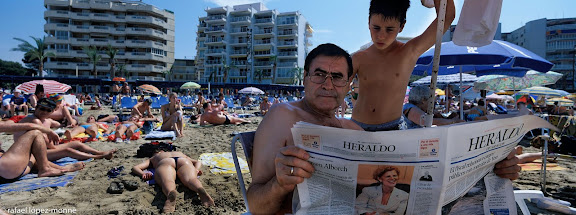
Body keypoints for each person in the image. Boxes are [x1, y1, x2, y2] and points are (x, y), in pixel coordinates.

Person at [247, 44, 363, 214]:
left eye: (337, 77)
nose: (328, 85)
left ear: (347, 85)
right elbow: (255, 206)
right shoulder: (283, 116)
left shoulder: (352, 128)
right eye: (319, 74)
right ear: (305, 78)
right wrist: (278, 185)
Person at [350, 0, 455, 131]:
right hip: (358, 127)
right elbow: (338, 89)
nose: (381, 36)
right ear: (368, 23)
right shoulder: (358, 58)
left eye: (389, 29)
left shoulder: (408, 52)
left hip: (393, 128)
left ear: (402, 26)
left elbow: (446, 18)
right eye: (376, 27)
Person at [17, 98, 115, 161]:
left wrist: (68, 123)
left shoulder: (45, 120)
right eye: (41, 108)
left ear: (52, 112)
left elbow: (58, 124)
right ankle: (98, 157)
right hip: (31, 154)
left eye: (47, 110)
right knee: (68, 150)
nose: (44, 112)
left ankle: (99, 152)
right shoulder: (34, 120)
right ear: (36, 108)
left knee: (77, 144)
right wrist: (58, 144)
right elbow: (47, 143)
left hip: (43, 149)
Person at [0, 118, 85, 181]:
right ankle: (45, 169)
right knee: (35, 133)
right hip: (6, 167)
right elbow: (30, 126)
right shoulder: (35, 119)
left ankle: (61, 168)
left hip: (7, 172)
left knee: (35, 155)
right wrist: (50, 131)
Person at [132, 149, 215, 213]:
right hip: (183, 160)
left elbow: (135, 168)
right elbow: (198, 161)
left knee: (167, 180)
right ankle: (199, 188)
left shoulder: (154, 157)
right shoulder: (179, 152)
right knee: (191, 179)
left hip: (165, 162)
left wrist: (142, 173)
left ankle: (170, 193)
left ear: (158, 152)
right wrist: (196, 169)